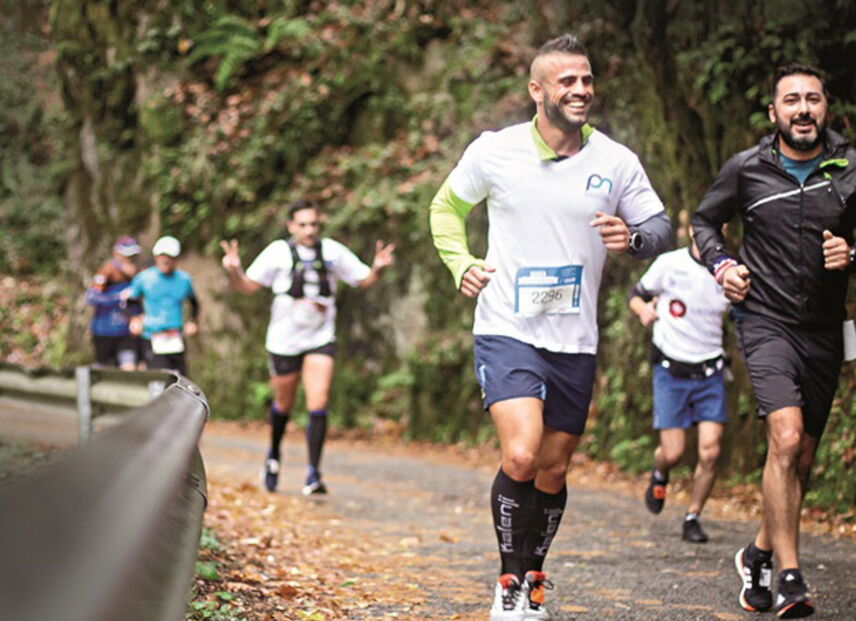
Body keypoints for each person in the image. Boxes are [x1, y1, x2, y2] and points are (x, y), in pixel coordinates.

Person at [429, 34, 671, 621]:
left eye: (586, 79)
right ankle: (508, 583)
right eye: (568, 81)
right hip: (507, 327)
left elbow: (659, 225)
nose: (581, 90)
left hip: (574, 337)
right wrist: (461, 263)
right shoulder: (496, 151)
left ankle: (534, 576)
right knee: (521, 455)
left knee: (555, 467)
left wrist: (634, 238)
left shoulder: (615, 161)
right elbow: (445, 208)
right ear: (537, 91)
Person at [692, 63, 856, 619]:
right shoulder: (747, 169)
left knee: (802, 457)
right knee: (784, 438)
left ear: (826, 108)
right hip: (764, 320)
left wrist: (855, 255)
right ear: (773, 113)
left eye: (813, 99)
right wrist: (723, 265)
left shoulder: (851, 169)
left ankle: (758, 553)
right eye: (791, 100)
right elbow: (703, 224)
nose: (803, 109)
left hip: (824, 329)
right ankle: (790, 577)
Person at [220, 199, 394, 496]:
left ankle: (313, 473)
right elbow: (248, 286)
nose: (309, 230)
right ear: (291, 226)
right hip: (284, 339)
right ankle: (273, 454)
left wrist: (377, 268)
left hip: (320, 337)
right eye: (302, 225)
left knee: (319, 400)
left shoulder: (332, 251)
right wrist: (234, 271)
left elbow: (363, 280)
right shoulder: (277, 252)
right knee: (283, 403)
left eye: (313, 224)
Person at [630, 226, 730, 543]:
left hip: (710, 370)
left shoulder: (728, 271)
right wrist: (644, 310)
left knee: (711, 450)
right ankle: (660, 473)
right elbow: (636, 294)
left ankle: (692, 516)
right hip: (671, 369)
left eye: (719, 227)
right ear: (691, 231)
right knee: (672, 452)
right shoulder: (670, 264)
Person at [125, 235, 200, 375]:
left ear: (176, 258)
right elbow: (130, 301)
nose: (165, 260)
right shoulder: (144, 278)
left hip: (175, 336)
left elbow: (194, 303)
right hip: (152, 335)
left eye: (169, 257)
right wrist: (135, 318)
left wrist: (192, 321)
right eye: (162, 256)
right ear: (156, 257)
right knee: (159, 377)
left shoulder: (184, 279)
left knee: (179, 377)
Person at [85, 236, 143, 370]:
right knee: (103, 369)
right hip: (104, 331)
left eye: (133, 256)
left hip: (126, 333)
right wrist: (118, 297)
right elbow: (91, 297)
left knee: (129, 368)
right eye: (126, 255)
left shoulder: (138, 274)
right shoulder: (107, 271)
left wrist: (138, 317)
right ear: (116, 254)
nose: (129, 259)